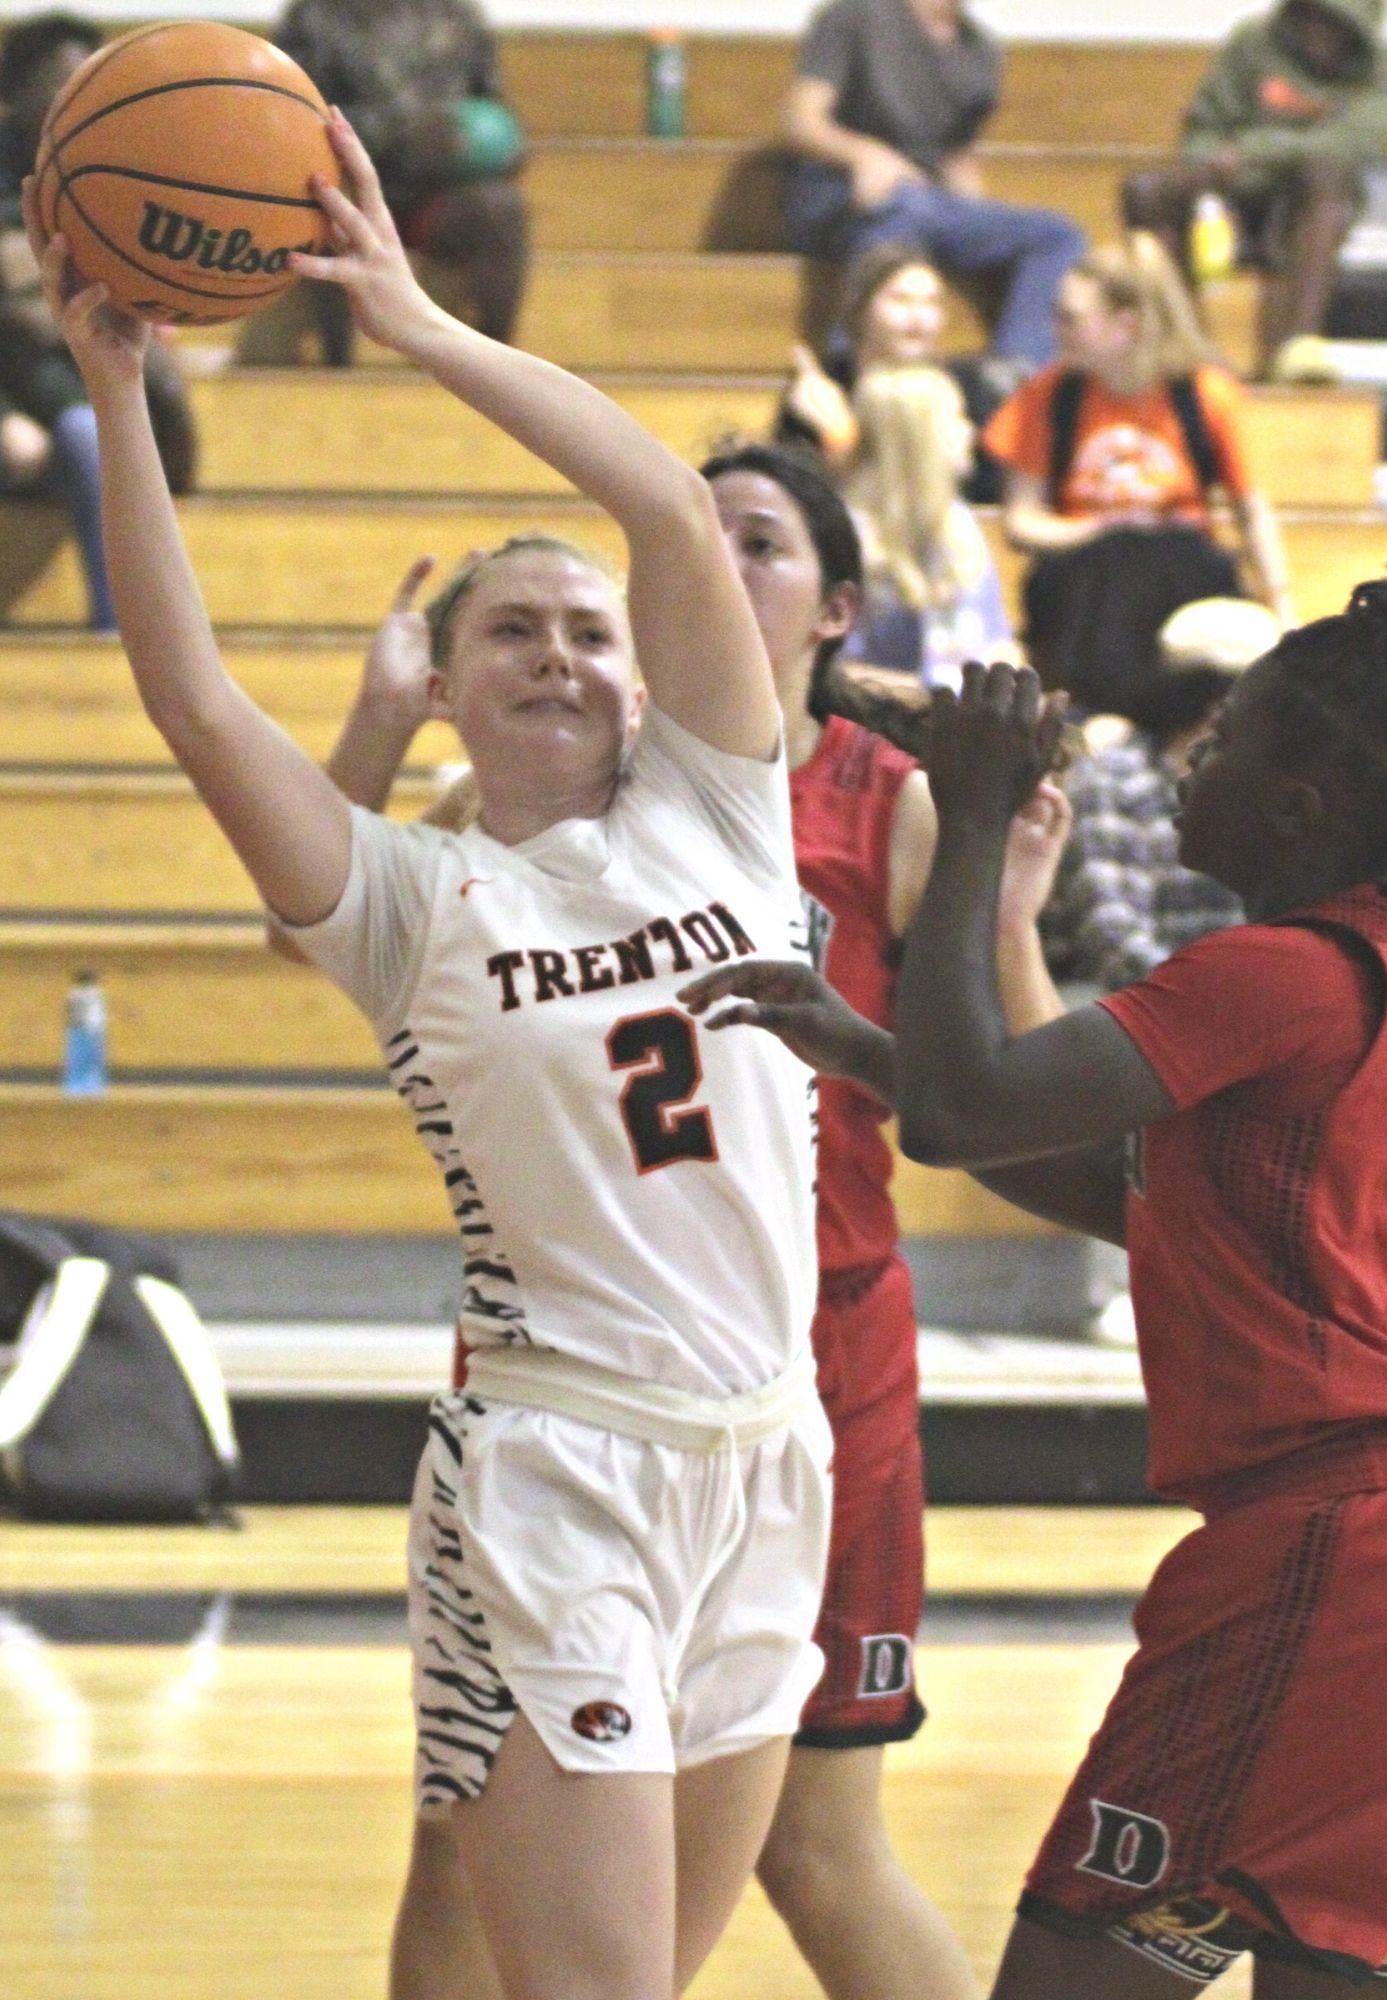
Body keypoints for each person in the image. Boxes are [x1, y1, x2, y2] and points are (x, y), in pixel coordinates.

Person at [25, 113, 835, 2000]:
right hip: (558, 1474)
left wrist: (416, 324)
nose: (559, 654)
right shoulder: (411, 898)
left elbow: (657, 497)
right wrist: (119, 398)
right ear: (444, 681)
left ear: (649, 679)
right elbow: (189, 696)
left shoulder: (725, 813)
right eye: (510, 633)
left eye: (587, 632)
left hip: (771, 1458)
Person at [316, 442, 1070, 2000]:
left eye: (757, 543)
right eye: (696, 536)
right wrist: (386, 719)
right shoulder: (560, 791)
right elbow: (338, 920)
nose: (710, 570)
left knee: (815, 1845)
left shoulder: (886, 801)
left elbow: (1009, 1084)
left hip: (810, 1361)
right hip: (558, 1368)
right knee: (462, 1833)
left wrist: (1004, 916)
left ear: (836, 605)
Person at [686, 553, 1387, 1993]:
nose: (1193, 759)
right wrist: (859, 1043)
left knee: (1076, 1980)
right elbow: (1111, 1189)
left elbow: (959, 1110)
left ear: (1299, 808)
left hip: (1336, 1554)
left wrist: (976, 817)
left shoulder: (1274, 975)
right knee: (1325, 1975)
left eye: (1228, 736)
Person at [983, 233, 1294, 715]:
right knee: (1113, 563)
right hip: (1083, 576)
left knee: (1162, 567)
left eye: (1072, 319)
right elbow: (1021, 521)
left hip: (1181, 573)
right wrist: (1102, 529)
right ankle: (1117, 721)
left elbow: (1251, 511)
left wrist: (1283, 607)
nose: (1055, 330)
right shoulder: (1050, 395)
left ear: (1124, 326)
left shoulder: (1203, 395)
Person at [0, 11, 195, 628]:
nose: (71, 92)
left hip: (106, 398)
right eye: (58, 79)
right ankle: (117, 629)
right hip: (30, 407)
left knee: (95, 433)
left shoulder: (120, 169)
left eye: (84, 79)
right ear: (17, 88)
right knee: (86, 434)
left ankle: (130, 630)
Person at [781, 0, 1085, 374]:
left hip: (927, 199)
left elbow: (959, 157)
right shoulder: (855, 16)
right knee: (900, 208)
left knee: (1056, 235)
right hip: (840, 191)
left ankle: (1016, 373)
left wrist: (975, 218)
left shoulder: (979, 49)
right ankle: (851, 370)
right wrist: (864, 155)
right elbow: (802, 121)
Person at [1122, 0, 1387, 381]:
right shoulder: (1254, 42)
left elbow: (1346, 145)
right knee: (1146, 191)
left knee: (1323, 175)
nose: (1318, 34)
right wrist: (1213, 167)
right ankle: (1185, 346)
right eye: (1310, 17)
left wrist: (1249, 151)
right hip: (1229, 194)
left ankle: (1297, 347)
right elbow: (1203, 129)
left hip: (1309, 203)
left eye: (1332, 24)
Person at [256, 0, 527, 364]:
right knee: (324, 208)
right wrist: (403, 131)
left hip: (434, 188)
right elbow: (294, 114)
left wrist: (504, 146)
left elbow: (490, 110)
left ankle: (493, 362)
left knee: (500, 208)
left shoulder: (456, 13)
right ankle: (336, 365)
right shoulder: (312, 15)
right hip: (344, 178)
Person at [1040, 597, 1280, 993]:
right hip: (1123, 1006)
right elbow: (1111, 935)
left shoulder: (1275, 789)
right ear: (1215, 706)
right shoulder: (1114, 778)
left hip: (1225, 1007)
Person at [775, 243, 1011, 503]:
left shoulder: (966, 389)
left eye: (931, 303)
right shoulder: (824, 388)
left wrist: (842, 436)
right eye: (901, 300)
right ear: (862, 308)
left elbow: (987, 494)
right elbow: (794, 497)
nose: (919, 317)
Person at [839, 365, 1011, 689]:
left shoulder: (960, 522)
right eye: (956, 418)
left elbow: (999, 643)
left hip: (969, 717)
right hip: (884, 720)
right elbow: (835, 673)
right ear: (915, 438)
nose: (969, 431)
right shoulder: (849, 536)